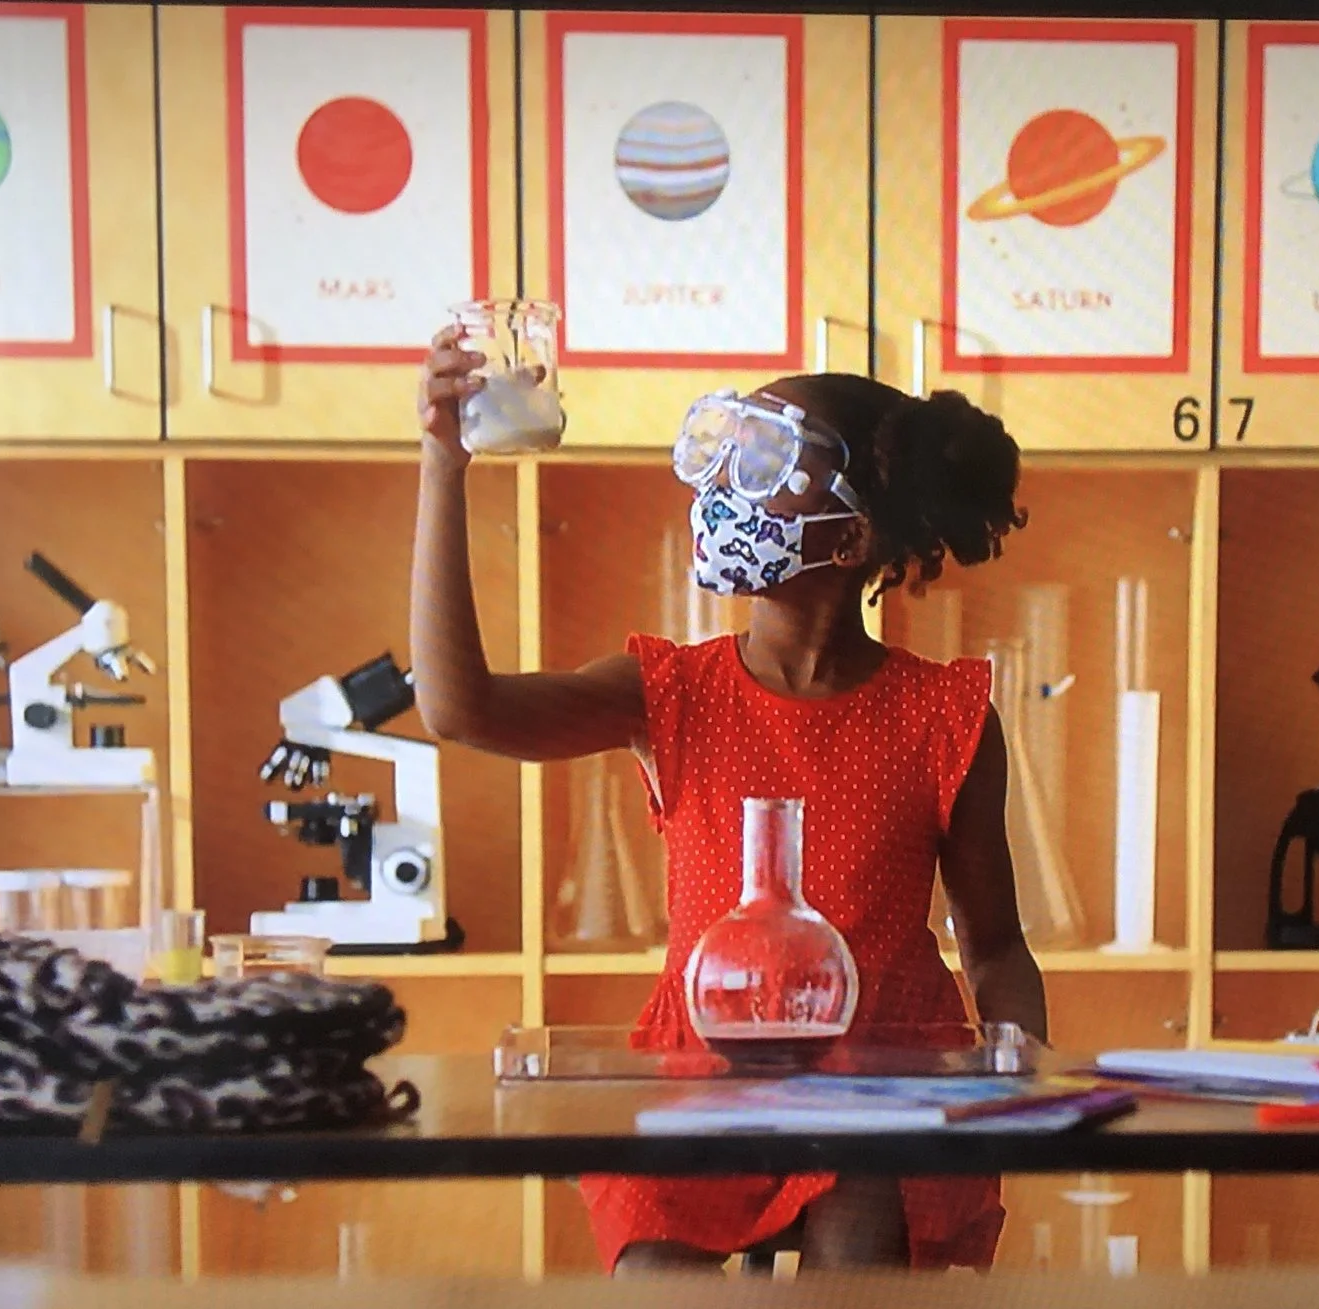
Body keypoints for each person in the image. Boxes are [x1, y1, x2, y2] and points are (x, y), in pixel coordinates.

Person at [410, 329, 1050, 1275]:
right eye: (730, 450)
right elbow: (460, 708)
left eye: (763, 459)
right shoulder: (666, 690)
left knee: (861, 1235)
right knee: (656, 1273)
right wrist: (441, 465)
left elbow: (994, 944)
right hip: (701, 1075)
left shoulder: (943, 714)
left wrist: (1027, 1086)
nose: (724, 483)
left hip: (885, 1081)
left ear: (858, 530)